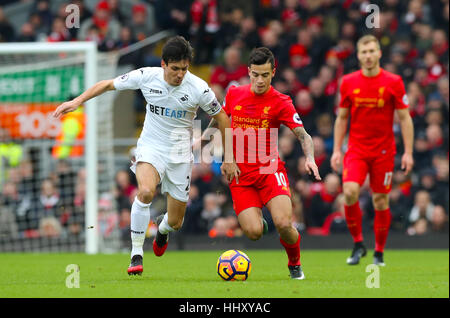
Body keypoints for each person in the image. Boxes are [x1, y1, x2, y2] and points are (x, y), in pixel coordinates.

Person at [53, 36, 239, 276]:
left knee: (175, 222)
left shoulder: (198, 88)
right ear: (163, 64)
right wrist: (77, 101)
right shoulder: (146, 76)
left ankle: (162, 229)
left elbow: (223, 117)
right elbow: (108, 84)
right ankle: (136, 255)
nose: (180, 74)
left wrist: (229, 157)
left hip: (180, 154)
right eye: (175, 68)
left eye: (184, 68)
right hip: (151, 146)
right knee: (146, 191)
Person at [203, 47, 321, 279]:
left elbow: (303, 135)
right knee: (254, 233)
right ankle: (261, 223)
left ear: (273, 73)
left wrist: (310, 158)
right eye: (255, 74)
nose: (259, 80)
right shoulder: (235, 94)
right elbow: (220, 120)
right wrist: (202, 138)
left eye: (264, 75)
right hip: (240, 173)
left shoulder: (281, 101)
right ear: (248, 71)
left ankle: (294, 263)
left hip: (270, 170)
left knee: (285, 224)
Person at [331, 34, 414, 266]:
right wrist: (337, 149)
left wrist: (408, 152)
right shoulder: (348, 81)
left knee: (379, 200)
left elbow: (405, 118)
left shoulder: (394, 81)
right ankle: (358, 244)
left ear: (379, 53)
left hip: (384, 151)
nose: (368, 56)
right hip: (356, 148)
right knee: (349, 192)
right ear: (358, 56)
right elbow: (342, 118)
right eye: (363, 52)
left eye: (371, 51)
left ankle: (378, 252)